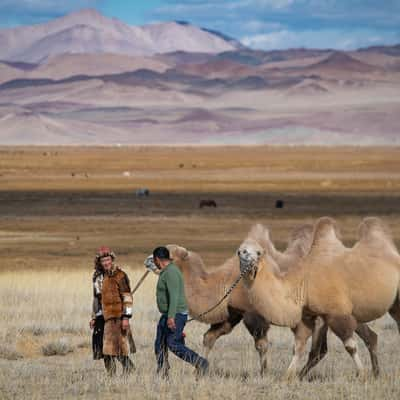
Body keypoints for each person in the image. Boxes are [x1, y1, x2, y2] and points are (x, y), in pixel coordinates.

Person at [152, 246, 209, 378]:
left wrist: (171, 317)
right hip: (169, 314)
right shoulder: (167, 270)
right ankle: (162, 371)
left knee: (173, 343)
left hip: (175, 313)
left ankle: (201, 363)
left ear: (157, 259)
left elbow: (174, 296)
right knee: (159, 343)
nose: (154, 263)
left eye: (154, 261)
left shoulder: (171, 272)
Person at [94, 246, 135, 376]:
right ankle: (111, 375)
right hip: (102, 316)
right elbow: (96, 299)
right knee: (102, 348)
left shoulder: (120, 275)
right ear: (99, 262)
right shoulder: (98, 277)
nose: (106, 263)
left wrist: (126, 317)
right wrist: (94, 316)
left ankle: (128, 369)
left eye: (108, 260)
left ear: (112, 260)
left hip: (117, 317)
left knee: (116, 348)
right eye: (103, 260)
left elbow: (128, 297)